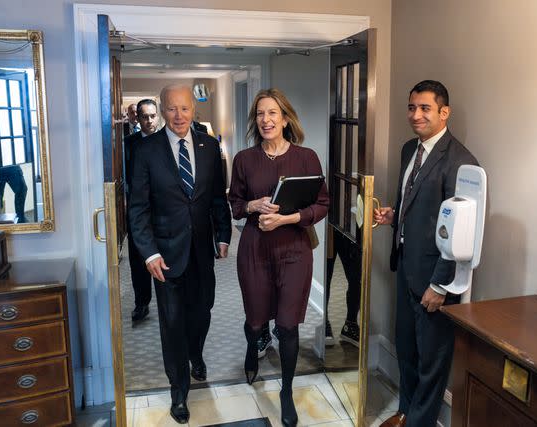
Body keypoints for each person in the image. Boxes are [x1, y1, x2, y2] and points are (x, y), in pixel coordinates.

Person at [374, 80, 478, 427]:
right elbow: (417, 204)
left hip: (434, 278)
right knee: (406, 347)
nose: (415, 115)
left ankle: (420, 423)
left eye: (424, 108)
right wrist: (394, 216)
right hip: (405, 265)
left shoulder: (461, 162)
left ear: (443, 112)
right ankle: (406, 412)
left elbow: (460, 233)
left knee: (432, 360)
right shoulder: (409, 149)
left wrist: (441, 285)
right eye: (411, 107)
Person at [129, 84, 232, 424]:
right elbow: (139, 208)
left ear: (193, 110)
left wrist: (223, 234)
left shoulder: (209, 146)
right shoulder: (146, 151)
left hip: (202, 249)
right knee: (172, 322)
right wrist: (148, 253)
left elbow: (217, 196)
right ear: (161, 110)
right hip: (165, 254)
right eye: (171, 109)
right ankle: (179, 389)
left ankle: (195, 352)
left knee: (203, 310)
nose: (178, 116)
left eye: (184, 108)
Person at [228, 88, 329, 427]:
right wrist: (252, 206)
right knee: (256, 320)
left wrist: (287, 218)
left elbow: (322, 204)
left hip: (294, 251)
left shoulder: (307, 157)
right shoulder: (244, 159)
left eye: (272, 113)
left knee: (287, 325)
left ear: (286, 119)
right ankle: (252, 344)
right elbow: (235, 203)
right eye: (260, 114)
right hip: (255, 249)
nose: (266, 120)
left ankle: (286, 390)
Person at [124, 98, 159, 322]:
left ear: (158, 116)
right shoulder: (129, 143)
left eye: (152, 116)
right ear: (137, 117)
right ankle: (141, 303)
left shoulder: (167, 141)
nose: (149, 121)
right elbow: (124, 175)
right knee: (138, 259)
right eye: (144, 116)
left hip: (163, 209)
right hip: (138, 209)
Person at [324, 225, 362, 346]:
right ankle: (323, 323)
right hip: (328, 223)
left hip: (350, 223)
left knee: (357, 277)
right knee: (326, 276)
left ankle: (351, 324)